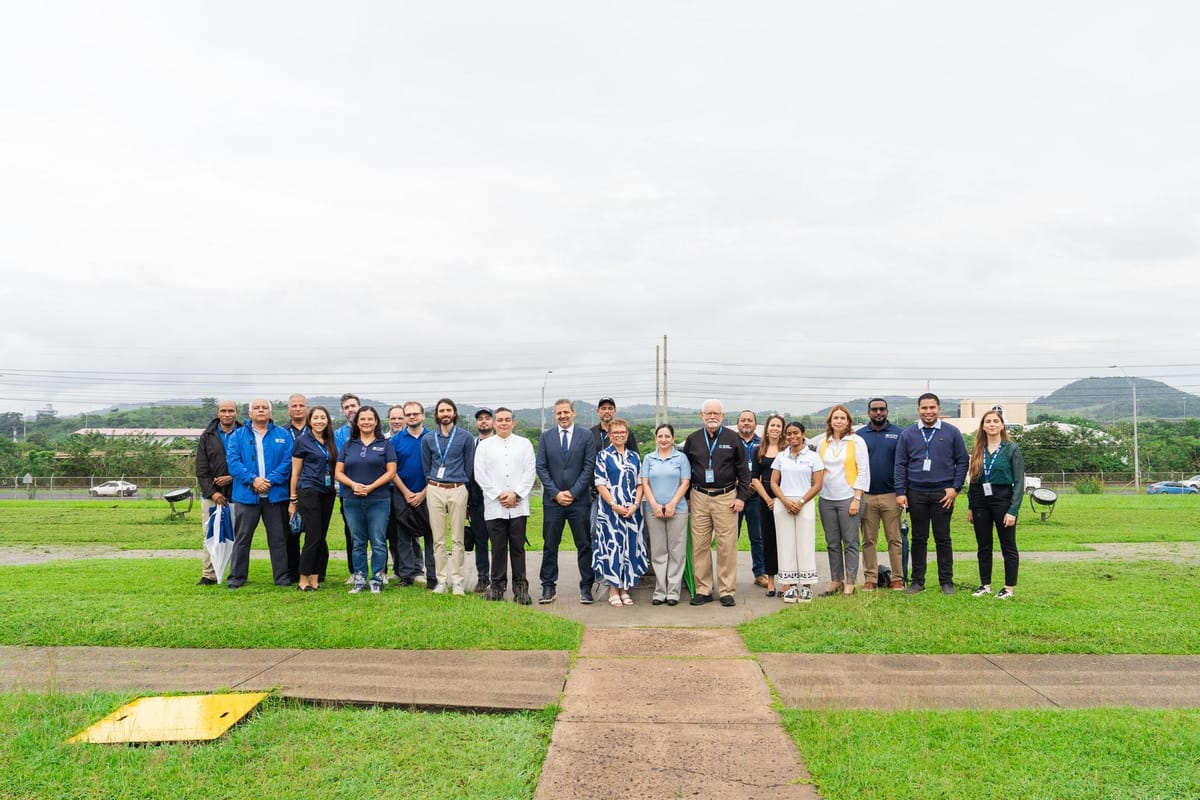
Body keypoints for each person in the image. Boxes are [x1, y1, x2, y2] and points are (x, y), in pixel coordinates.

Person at [895, 392, 969, 595]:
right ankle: (918, 581)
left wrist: (955, 488)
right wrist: (900, 492)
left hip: (942, 495)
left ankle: (947, 581)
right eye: (924, 408)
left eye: (932, 408)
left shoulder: (952, 432)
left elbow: (962, 461)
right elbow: (900, 464)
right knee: (919, 539)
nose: (928, 412)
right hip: (916, 493)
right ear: (918, 410)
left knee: (943, 538)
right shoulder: (907, 434)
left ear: (939, 409)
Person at [680, 399, 752, 607]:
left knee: (726, 546)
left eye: (716, 413)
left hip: (726, 497)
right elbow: (686, 471)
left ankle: (727, 590)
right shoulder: (693, 440)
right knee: (700, 545)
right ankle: (703, 590)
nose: (712, 417)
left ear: (722, 416)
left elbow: (744, 472)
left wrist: (741, 497)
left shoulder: (733, 438)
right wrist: (687, 498)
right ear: (701, 415)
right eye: (708, 413)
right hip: (699, 496)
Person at [225, 399, 294, 588]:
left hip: (275, 496)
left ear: (270, 413)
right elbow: (233, 462)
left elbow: (288, 462)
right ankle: (237, 578)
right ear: (249, 413)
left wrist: (269, 481)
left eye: (265, 408)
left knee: (278, 539)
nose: (261, 410)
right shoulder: (237, 436)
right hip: (247, 497)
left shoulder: (283, 435)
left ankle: (281, 578)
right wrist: (253, 480)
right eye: (257, 408)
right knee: (242, 539)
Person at [536, 399, 598, 604]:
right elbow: (541, 467)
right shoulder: (546, 437)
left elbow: (589, 466)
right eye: (558, 413)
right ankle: (548, 586)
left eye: (566, 412)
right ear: (555, 415)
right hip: (553, 502)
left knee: (584, 544)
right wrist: (555, 493)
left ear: (573, 413)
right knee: (550, 544)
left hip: (579, 500)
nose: (562, 416)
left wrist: (573, 492)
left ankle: (586, 587)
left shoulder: (585, 435)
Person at [473, 407, 536, 604]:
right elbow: (479, 474)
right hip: (494, 505)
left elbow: (530, 472)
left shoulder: (524, 444)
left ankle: (521, 588)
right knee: (498, 548)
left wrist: (515, 494)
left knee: (517, 548)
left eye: (507, 419)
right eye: (499, 420)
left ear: (513, 422)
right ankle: (497, 587)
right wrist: (498, 494)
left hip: (518, 505)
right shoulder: (484, 446)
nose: (503, 423)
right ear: (494, 423)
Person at [335, 406, 397, 594]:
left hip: (379, 499)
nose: (366, 422)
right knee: (358, 541)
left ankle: (377, 579)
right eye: (362, 419)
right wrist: (353, 485)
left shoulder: (385, 444)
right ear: (357, 422)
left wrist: (371, 487)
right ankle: (359, 579)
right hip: (352, 500)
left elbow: (391, 472)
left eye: (370, 419)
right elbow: (338, 472)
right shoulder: (349, 445)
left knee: (378, 541)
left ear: (376, 421)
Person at [966, 409, 1025, 600]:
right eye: (988, 421)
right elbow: (973, 480)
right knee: (984, 544)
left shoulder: (1011, 449)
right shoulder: (978, 450)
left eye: (995, 421)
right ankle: (985, 585)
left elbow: (1019, 482)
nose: (991, 424)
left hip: (1002, 497)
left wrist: (1013, 510)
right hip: (980, 498)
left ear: (1002, 425)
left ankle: (1008, 588)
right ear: (983, 426)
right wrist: (970, 507)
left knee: (1008, 545)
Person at [814, 405, 871, 596]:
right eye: (835, 418)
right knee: (832, 542)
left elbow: (863, 471)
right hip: (826, 499)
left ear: (848, 421)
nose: (838, 421)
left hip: (849, 498)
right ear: (830, 421)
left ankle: (851, 582)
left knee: (850, 541)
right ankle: (835, 580)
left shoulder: (857, 441)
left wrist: (857, 498)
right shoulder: (823, 443)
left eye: (842, 418)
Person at [421, 398, 476, 596]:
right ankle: (442, 580)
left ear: (454, 413)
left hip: (458, 487)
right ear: (436, 415)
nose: (445, 413)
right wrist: (433, 483)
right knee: (438, 539)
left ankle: (458, 581)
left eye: (448, 410)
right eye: (441, 410)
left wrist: (463, 487)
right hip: (435, 487)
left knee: (458, 538)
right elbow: (426, 466)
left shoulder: (466, 437)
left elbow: (469, 466)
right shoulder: (428, 439)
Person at [593, 418, 646, 607]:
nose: (619, 435)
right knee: (613, 548)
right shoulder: (603, 456)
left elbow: (641, 483)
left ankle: (625, 588)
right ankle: (613, 589)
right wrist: (613, 504)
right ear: (609, 435)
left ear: (627, 434)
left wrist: (636, 504)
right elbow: (600, 483)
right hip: (611, 512)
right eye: (615, 432)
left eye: (622, 432)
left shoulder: (634, 456)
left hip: (632, 511)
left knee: (629, 548)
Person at [770, 421, 824, 603]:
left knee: (805, 544)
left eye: (796, 433)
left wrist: (800, 502)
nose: (792, 436)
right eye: (789, 433)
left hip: (805, 503)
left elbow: (817, 484)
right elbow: (773, 482)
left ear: (803, 434)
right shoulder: (781, 457)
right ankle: (791, 586)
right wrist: (785, 501)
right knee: (786, 545)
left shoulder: (813, 457)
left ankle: (807, 587)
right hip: (783, 504)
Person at [857, 398, 906, 590]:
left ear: (887, 411)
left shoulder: (899, 434)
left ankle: (897, 578)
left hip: (892, 495)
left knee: (894, 539)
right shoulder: (859, 436)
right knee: (868, 539)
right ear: (868, 412)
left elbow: (904, 464)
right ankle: (871, 578)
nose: (878, 412)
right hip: (867, 496)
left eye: (882, 409)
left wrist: (903, 491)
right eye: (874, 409)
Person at [288, 406, 337, 591]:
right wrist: (293, 499)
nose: (319, 421)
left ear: (327, 420)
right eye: (315, 417)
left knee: (321, 536)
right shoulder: (302, 441)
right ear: (310, 421)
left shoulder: (330, 441)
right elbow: (295, 473)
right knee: (313, 535)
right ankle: (303, 579)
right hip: (308, 491)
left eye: (323, 417)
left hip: (328, 492)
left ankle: (315, 578)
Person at [640, 423, 689, 605]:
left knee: (676, 551)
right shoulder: (648, 459)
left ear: (673, 438)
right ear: (656, 439)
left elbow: (685, 483)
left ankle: (673, 592)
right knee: (658, 551)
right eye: (660, 436)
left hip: (678, 510)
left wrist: (672, 504)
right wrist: (653, 504)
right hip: (653, 511)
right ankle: (660, 591)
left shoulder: (681, 458)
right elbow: (645, 483)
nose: (663, 439)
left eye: (667, 436)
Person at [194, 400, 241, 585]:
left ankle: (234, 573)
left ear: (237, 413)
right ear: (218, 413)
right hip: (212, 496)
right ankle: (209, 574)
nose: (227, 414)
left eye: (231, 411)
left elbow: (249, 464)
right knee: (210, 534)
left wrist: (232, 477)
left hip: (238, 492)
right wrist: (213, 492)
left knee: (236, 536)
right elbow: (201, 468)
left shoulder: (244, 433)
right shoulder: (207, 435)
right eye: (224, 411)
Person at [390, 401, 434, 587]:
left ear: (423, 415)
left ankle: (431, 574)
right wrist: (407, 492)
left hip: (429, 493)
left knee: (431, 536)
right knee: (403, 536)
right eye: (408, 414)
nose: (412, 417)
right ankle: (406, 575)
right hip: (402, 493)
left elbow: (437, 468)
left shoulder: (432, 438)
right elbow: (391, 470)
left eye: (415, 413)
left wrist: (423, 493)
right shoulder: (395, 440)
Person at [749, 414, 785, 596]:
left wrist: (780, 499)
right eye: (772, 425)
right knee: (768, 539)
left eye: (779, 425)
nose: (775, 428)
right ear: (767, 428)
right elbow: (755, 478)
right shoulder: (758, 450)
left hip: (785, 498)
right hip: (765, 500)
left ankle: (787, 581)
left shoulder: (787, 449)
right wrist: (768, 500)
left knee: (785, 540)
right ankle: (770, 581)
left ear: (782, 429)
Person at [735, 410, 767, 588]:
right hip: (735, 495)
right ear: (737, 423)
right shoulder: (731, 441)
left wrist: (756, 482)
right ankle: (729, 574)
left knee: (758, 536)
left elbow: (767, 466)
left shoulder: (762, 443)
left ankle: (760, 573)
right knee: (732, 536)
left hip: (756, 495)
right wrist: (740, 482)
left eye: (749, 420)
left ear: (755, 424)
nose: (746, 423)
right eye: (743, 420)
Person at [466, 407, 495, 594]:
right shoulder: (471, 445)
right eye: (480, 419)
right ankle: (483, 578)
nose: (483, 421)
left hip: (497, 501)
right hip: (476, 502)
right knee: (480, 542)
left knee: (499, 542)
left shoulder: (500, 444)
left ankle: (499, 579)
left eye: (487, 418)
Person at [333, 393, 361, 581]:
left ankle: (380, 571)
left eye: (353, 405)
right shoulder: (337, 435)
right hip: (347, 491)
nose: (350, 409)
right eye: (347, 407)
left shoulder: (374, 430)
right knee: (351, 532)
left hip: (374, 490)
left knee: (377, 533)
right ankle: (354, 571)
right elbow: (337, 463)